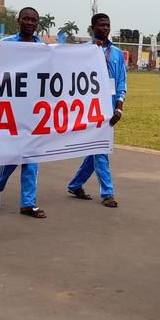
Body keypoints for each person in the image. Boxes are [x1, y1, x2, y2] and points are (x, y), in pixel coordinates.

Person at [0, 7, 47, 218]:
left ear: (37, 23)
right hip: (10, 110)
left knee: (32, 157)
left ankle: (28, 203)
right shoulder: (6, 44)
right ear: (18, 20)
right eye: (26, 19)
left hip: (34, 111)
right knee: (13, 155)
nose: (29, 23)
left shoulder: (43, 48)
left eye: (33, 20)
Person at [67, 13, 126, 207]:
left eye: (108, 25)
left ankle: (75, 184)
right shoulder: (84, 51)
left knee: (96, 148)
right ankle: (107, 193)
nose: (105, 28)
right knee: (100, 148)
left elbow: (121, 82)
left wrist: (119, 107)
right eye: (101, 25)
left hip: (109, 107)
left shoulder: (116, 54)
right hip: (89, 108)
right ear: (93, 28)